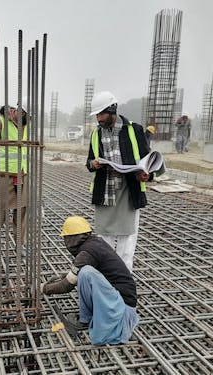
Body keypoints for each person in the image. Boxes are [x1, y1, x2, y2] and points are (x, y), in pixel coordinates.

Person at [41, 216, 139, 345]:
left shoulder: (87, 253)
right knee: (83, 272)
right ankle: (85, 319)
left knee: (86, 273)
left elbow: (67, 285)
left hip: (121, 310)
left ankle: (94, 323)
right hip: (118, 302)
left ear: (71, 238)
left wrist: (43, 288)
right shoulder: (94, 243)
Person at [86, 91, 151, 273]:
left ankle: (124, 282)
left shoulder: (134, 131)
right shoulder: (96, 134)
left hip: (128, 192)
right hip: (105, 191)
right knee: (104, 240)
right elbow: (89, 161)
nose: (98, 118)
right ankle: (107, 278)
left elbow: (147, 160)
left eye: (101, 114)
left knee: (126, 243)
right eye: (97, 115)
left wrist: (146, 174)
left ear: (112, 110)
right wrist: (94, 163)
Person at [0, 99, 29, 252]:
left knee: (22, 211)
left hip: (23, 174)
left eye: (24, 114)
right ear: (13, 109)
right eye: (18, 111)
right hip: (5, 175)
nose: (20, 116)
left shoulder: (26, 125)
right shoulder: (0, 122)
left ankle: (20, 244)